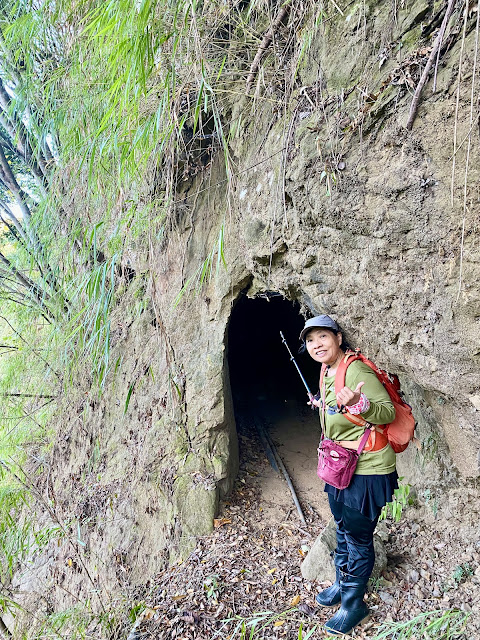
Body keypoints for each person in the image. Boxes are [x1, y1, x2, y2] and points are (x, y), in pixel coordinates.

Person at [300, 315, 398, 637]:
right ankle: (342, 585)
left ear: (338, 338)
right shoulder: (326, 370)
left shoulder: (353, 369)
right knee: (341, 526)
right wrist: (325, 405)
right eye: (311, 340)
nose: (317, 344)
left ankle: (354, 604)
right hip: (340, 463)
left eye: (323, 337)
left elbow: (387, 412)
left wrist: (360, 403)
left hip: (367, 467)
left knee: (357, 535)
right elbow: (336, 410)